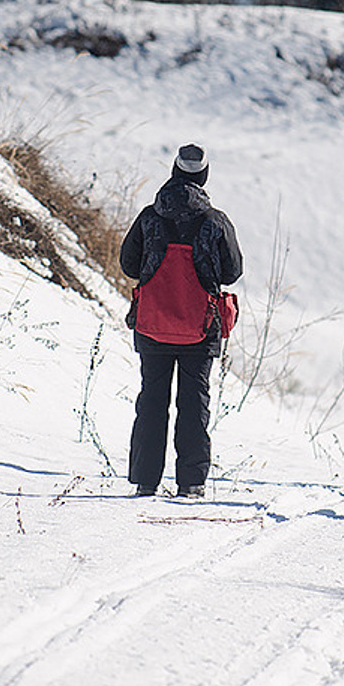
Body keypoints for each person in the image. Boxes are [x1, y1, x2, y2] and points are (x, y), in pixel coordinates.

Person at [120, 144, 242, 498]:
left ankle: (146, 481)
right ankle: (191, 483)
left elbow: (129, 265)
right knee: (194, 403)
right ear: (203, 177)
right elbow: (233, 272)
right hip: (200, 329)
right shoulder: (215, 221)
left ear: (174, 172)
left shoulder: (149, 217)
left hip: (152, 325)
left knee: (152, 401)